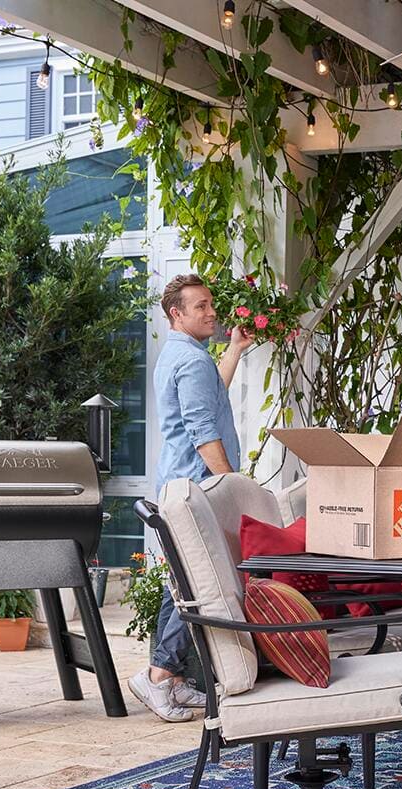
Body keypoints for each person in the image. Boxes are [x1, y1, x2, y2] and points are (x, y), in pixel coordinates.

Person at [129, 274, 252, 723]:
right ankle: (161, 676)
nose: (212, 312)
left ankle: (169, 679)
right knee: (200, 587)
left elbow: (208, 397)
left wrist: (234, 350)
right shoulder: (192, 361)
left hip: (178, 487)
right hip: (197, 490)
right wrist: (234, 490)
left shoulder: (181, 355)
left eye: (211, 304)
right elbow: (204, 434)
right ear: (176, 314)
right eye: (201, 306)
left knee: (182, 583)